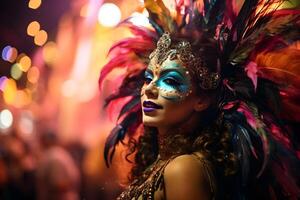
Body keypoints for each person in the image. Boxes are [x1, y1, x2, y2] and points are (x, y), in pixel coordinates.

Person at [99, 0, 300, 199]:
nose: (150, 89)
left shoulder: (183, 168)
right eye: (149, 78)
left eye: (170, 80)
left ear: (202, 100)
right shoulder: (164, 164)